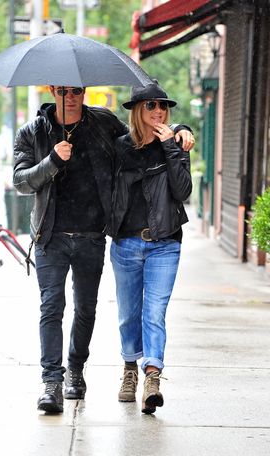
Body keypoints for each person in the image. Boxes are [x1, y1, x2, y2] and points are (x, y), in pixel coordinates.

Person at [13, 84, 195, 414]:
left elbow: (141, 137)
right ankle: (52, 381)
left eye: (78, 90)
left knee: (85, 310)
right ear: (53, 90)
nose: (71, 97)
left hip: (91, 237)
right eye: (65, 91)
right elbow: (22, 181)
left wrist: (180, 131)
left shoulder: (103, 123)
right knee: (51, 307)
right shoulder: (32, 132)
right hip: (50, 236)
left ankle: (76, 372)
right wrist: (53, 159)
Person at [109, 83, 192, 414]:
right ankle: (130, 367)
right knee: (128, 315)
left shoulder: (174, 145)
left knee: (154, 312)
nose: (158, 111)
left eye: (163, 106)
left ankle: (152, 376)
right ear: (136, 111)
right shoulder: (118, 148)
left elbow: (183, 190)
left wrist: (174, 146)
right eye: (150, 106)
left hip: (165, 244)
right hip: (126, 243)